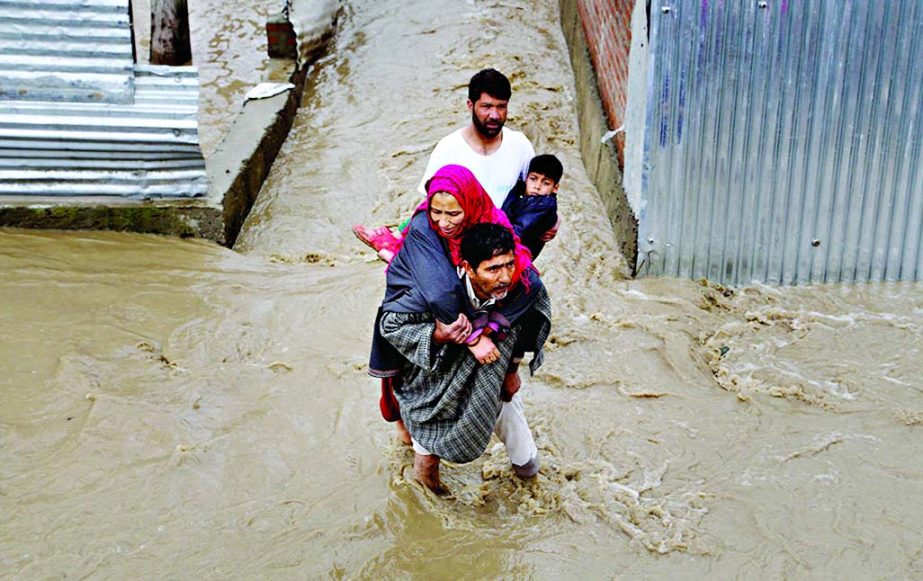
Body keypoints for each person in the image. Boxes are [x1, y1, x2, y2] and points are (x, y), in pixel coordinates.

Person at [367, 165, 544, 469]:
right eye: (438, 212)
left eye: (453, 214)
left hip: (489, 368)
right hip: (434, 368)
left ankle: (527, 473)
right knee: (418, 440)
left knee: (520, 444)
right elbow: (410, 314)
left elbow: (530, 303)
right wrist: (461, 336)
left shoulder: (497, 250)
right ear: (467, 267)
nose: (444, 223)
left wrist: (511, 366)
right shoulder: (427, 253)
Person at [379, 222, 552, 493]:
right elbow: (391, 326)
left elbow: (528, 327)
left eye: (508, 265)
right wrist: (438, 335)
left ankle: (531, 498)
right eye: (493, 269)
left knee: (528, 465)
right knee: (426, 470)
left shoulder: (520, 289)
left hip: (493, 382)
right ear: (468, 268)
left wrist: (512, 370)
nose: (505, 277)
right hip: (434, 389)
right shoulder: (434, 293)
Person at [353, 68, 559, 260]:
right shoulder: (448, 149)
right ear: (470, 105)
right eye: (487, 107)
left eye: (501, 107)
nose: (495, 115)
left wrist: (553, 221)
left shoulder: (520, 145)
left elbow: (539, 191)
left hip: (504, 247)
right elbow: (431, 209)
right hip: (458, 245)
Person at [501, 153, 563, 260]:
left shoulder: (543, 206)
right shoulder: (522, 194)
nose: (537, 186)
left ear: (555, 188)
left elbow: (518, 231)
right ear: (526, 178)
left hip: (514, 259)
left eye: (546, 183)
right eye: (533, 179)